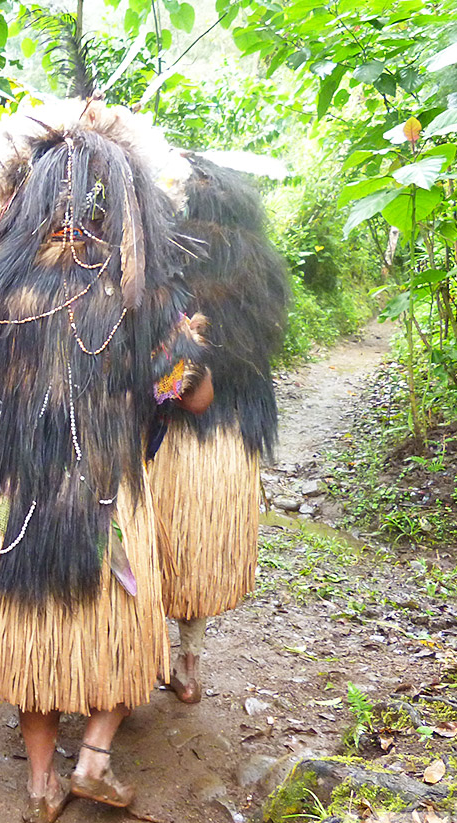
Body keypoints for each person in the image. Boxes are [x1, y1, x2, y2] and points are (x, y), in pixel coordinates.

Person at [0, 98, 211, 823]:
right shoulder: (139, 291)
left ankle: (38, 784)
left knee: (29, 635)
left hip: (14, 501)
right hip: (108, 495)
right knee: (124, 628)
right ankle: (92, 758)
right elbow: (195, 395)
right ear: (110, 204)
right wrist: (174, 362)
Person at [149, 151, 290, 703]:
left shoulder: (170, 261)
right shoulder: (263, 270)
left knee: (157, 544)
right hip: (232, 434)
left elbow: (171, 367)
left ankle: (146, 654)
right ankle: (190, 662)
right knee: (199, 552)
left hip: (180, 428)